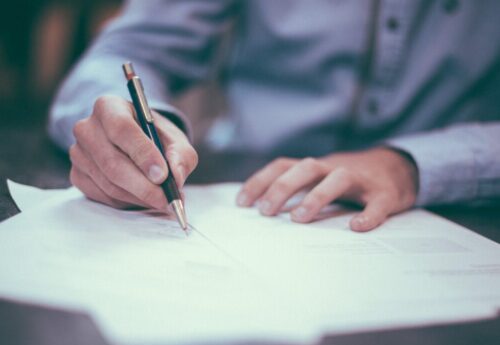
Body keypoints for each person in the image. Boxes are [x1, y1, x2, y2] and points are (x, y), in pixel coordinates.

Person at [49, 0, 500, 232]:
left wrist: (413, 164)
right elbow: (125, 53)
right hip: (247, 189)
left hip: (456, 210)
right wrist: (129, 129)